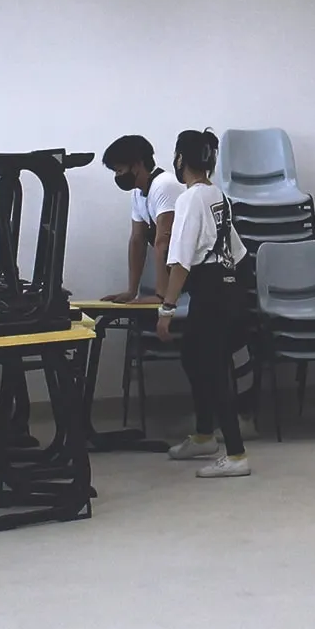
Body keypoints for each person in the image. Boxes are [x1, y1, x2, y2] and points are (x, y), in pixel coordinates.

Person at [158, 128, 249, 479]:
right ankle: (204, 435)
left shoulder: (190, 199)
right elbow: (238, 252)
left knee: (211, 369)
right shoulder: (217, 195)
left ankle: (236, 454)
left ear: (181, 159)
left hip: (210, 293)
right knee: (193, 358)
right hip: (226, 288)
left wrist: (166, 309)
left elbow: (180, 262)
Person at [101, 134, 183, 303]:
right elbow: (137, 240)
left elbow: (164, 241)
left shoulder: (164, 185)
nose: (117, 176)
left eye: (119, 170)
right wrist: (132, 291)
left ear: (137, 164)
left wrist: (161, 296)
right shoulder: (138, 194)